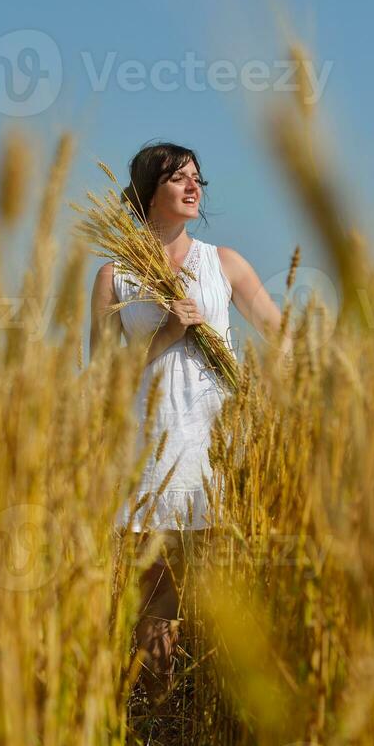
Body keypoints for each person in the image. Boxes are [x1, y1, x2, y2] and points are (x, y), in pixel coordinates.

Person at [90, 141, 290, 704]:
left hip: (214, 448)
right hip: (150, 453)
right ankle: (163, 721)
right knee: (155, 605)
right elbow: (105, 376)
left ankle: (220, 715)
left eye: (197, 178)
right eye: (178, 178)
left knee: (225, 595)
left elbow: (283, 337)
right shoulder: (115, 275)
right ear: (149, 190)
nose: (193, 186)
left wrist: (267, 390)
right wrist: (167, 335)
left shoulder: (223, 263)